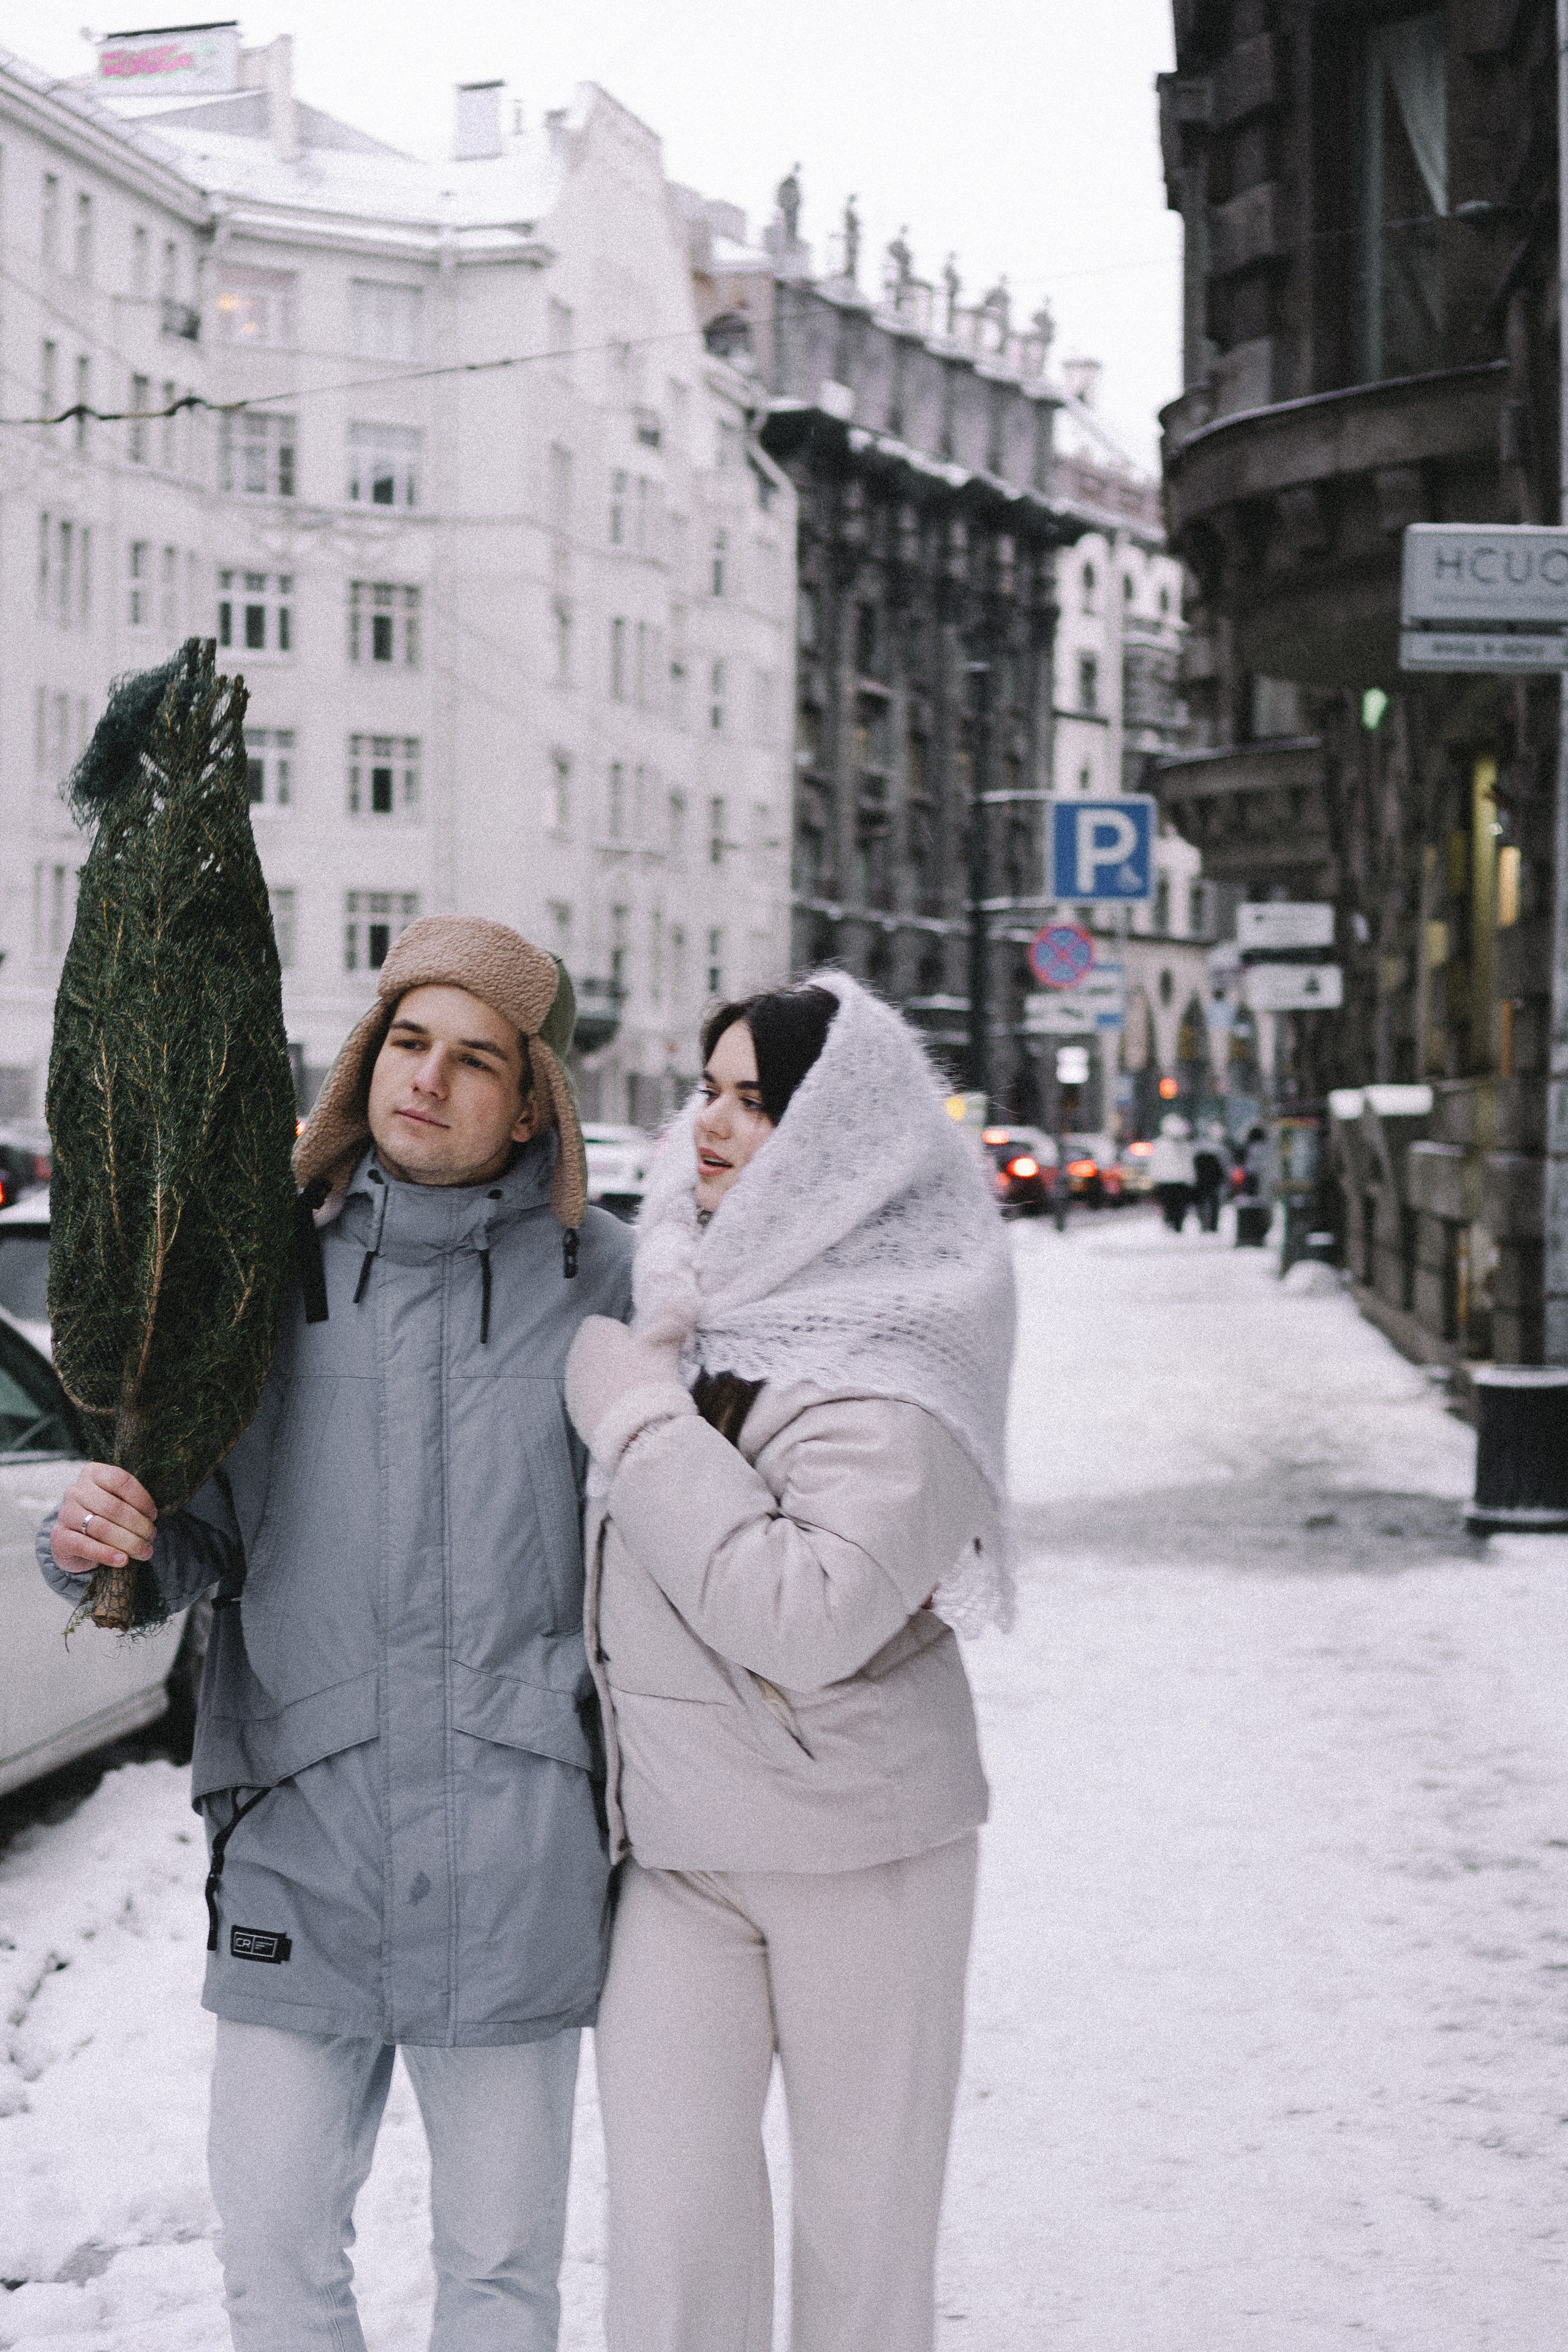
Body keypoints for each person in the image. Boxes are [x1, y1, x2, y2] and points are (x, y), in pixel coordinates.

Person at [39, 916, 632, 2352]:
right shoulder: (262, 1274)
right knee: (277, 2254)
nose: (429, 1080)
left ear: (529, 1097)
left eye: (474, 1058)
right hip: (303, 1840)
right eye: (407, 1044)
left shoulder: (601, 1279)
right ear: (366, 1060)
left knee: (500, 2269)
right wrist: (104, 1542)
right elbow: (193, 1534)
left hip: (516, 1852)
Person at [562, 973, 1016, 2352]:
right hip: (679, 1842)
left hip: (859, 1847)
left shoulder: (910, 1331)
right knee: (669, 2230)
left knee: (861, 2236)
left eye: (756, 1102)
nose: (710, 1124)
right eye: (708, 1087)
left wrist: (637, 1422)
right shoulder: (688, 1282)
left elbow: (806, 1614)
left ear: (844, 1135)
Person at [1147, 1110, 1197, 1232]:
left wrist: (1154, 1178)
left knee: (1169, 1204)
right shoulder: (1185, 1145)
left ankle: (1170, 1222)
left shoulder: (1160, 1144)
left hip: (1165, 1180)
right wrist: (1191, 1178)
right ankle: (1176, 1224)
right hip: (1180, 1181)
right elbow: (1189, 1163)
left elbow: (1155, 1163)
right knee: (1179, 1205)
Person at [1192, 1122, 1227, 1234]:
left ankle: (1204, 1225)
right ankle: (1213, 1226)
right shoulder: (1221, 1149)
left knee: (1203, 1203)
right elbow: (1224, 1166)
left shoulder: (1197, 1149)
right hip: (1213, 1181)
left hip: (1201, 1181)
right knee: (1214, 1203)